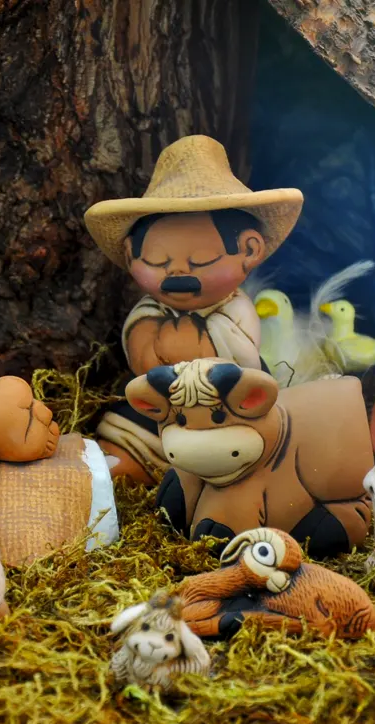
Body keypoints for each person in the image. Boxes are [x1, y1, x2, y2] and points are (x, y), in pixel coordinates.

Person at [83, 135, 304, 484]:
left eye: (201, 260)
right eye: (158, 262)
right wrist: (153, 345)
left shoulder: (236, 311)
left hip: (226, 413)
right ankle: (130, 461)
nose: (178, 275)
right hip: (161, 407)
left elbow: (228, 359)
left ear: (249, 250)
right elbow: (143, 362)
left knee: (256, 436)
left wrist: (178, 344)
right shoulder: (148, 311)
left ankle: (216, 474)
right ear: (130, 256)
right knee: (124, 425)